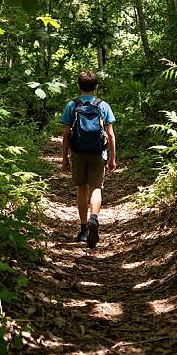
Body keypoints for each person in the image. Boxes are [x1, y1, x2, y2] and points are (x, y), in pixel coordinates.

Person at [60, 71, 116, 248]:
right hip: (98, 153)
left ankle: (84, 229)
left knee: (81, 189)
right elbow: (110, 135)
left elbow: (66, 135)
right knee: (96, 188)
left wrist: (64, 158)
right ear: (96, 86)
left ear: (78, 86)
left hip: (77, 153)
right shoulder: (103, 105)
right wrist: (113, 158)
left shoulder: (72, 105)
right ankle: (94, 218)